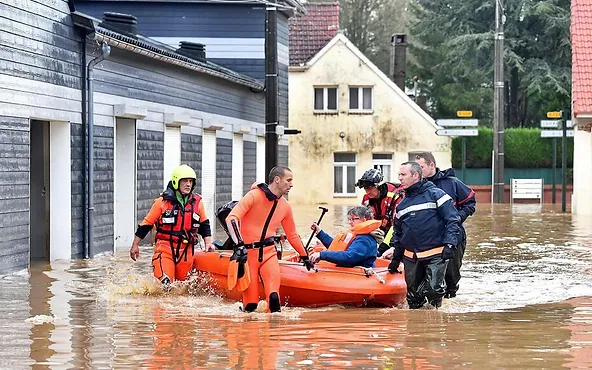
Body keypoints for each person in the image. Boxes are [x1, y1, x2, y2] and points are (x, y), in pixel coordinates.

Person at [225, 166, 313, 313]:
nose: (291, 184)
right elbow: (231, 219)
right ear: (277, 180)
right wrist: (239, 245)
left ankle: (273, 335)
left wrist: (305, 257)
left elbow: (292, 235)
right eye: (289, 180)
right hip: (248, 256)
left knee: (274, 300)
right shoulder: (253, 196)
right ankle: (248, 333)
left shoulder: (285, 206)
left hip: (268, 254)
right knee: (251, 305)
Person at [388, 162, 460, 309]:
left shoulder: (436, 194)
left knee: (433, 291)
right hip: (411, 256)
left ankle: (436, 323)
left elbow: (453, 220)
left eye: (403, 174)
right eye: (399, 175)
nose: (399, 178)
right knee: (413, 297)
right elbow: (398, 234)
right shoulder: (402, 204)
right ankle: (417, 328)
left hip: (435, 253)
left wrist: (450, 244)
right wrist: (395, 259)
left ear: (415, 175)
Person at [129, 164, 214, 286]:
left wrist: (208, 243)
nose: (188, 184)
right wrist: (135, 245)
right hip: (165, 249)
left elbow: (204, 225)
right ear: (176, 182)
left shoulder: (198, 203)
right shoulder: (162, 202)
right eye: (185, 181)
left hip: (186, 252)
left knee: (183, 288)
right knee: (166, 284)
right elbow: (146, 225)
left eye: (190, 181)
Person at [415, 152, 476, 298]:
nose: (417, 172)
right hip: (427, 238)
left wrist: (457, 218)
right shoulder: (415, 186)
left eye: (421, 167)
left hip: (453, 236)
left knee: (451, 275)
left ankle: (449, 300)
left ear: (432, 165)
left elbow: (471, 202)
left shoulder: (452, 183)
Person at [309, 206, 383, 268]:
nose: (350, 222)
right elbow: (337, 246)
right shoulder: (357, 235)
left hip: (357, 276)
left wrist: (322, 255)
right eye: (349, 219)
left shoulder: (365, 239)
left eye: (353, 219)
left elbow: (349, 257)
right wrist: (319, 232)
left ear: (365, 219)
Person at [355, 168, 404, 256]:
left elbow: (396, 225)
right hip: (379, 231)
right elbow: (363, 222)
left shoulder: (395, 197)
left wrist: (384, 246)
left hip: (394, 233)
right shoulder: (367, 198)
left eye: (370, 188)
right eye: (365, 189)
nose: (367, 192)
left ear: (379, 186)